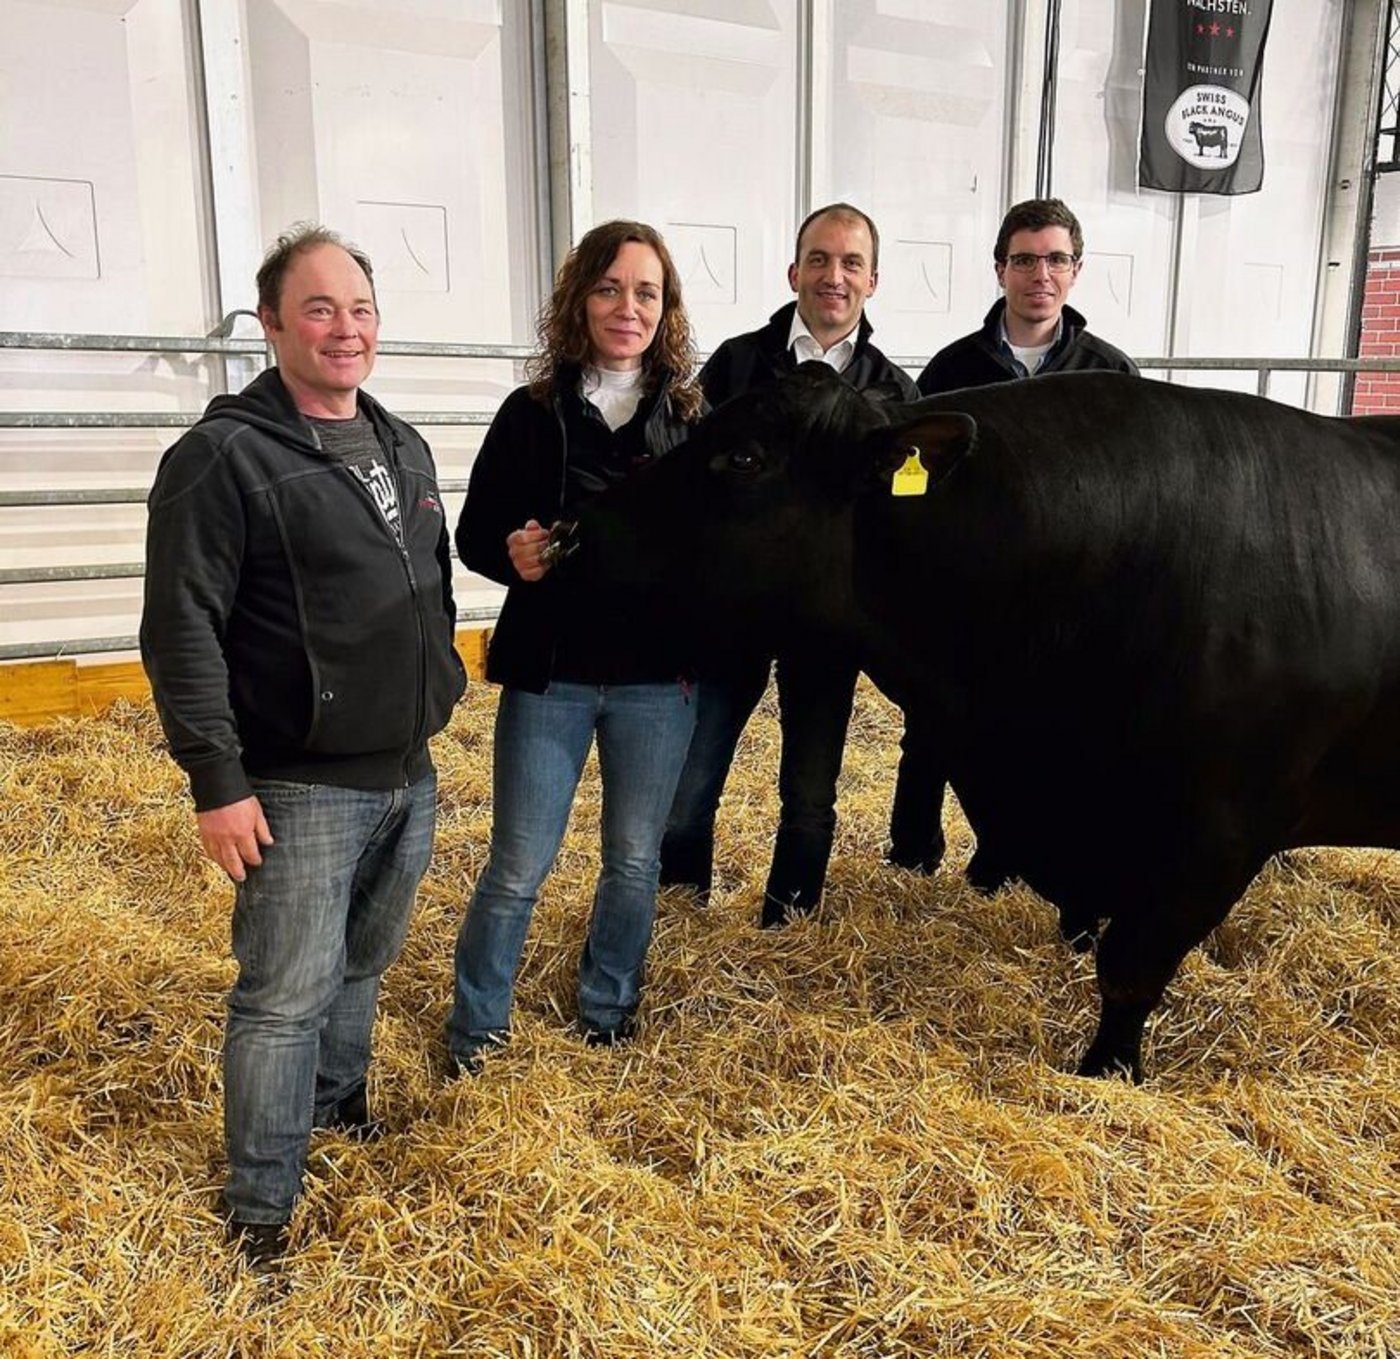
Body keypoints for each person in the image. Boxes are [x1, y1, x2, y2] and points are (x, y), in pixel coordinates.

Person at [140, 224, 467, 1268]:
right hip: (297, 783)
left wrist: (440, 693)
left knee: (362, 967)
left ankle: (337, 1115)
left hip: (405, 768)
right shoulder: (221, 457)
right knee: (281, 996)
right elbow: (180, 625)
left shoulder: (398, 440)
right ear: (272, 323)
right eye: (319, 309)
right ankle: (259, 1207)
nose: (345, 328)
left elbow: (433, 580)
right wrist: (216, 781)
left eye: (360, 308)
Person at [444, 220, 705, 1073]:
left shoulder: (690, 420)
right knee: (518, 862)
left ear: (665, 309)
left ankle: (607, 1010)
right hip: (550, 672)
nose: (627, 308)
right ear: (580, 298)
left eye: (646, 292)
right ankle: (477, 1029)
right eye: (609, 288)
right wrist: (512, 555)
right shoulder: (532, 413)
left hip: (656, 680)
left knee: (633, 860)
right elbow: (476, 533)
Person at [659, 202, 917, 926]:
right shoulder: (739, 363)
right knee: (692, 777)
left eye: (850, 263)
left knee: (811, 791)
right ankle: (681, 916)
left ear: (872, 280)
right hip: (727, 611)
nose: (834, 276)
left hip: (827, 624)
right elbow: (691, 479)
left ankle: (787, 926)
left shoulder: (892, 392)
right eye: (820, 259)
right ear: (794, 270)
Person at [891, 197, 1137, 882]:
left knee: (1052, 730)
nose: (1041, 274)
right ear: (1000, 269)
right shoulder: (950, 370)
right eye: (1024, 259)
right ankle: (912, 854)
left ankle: (1014, 856)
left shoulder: (1111, 375)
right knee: (934, 721)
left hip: (1074, 591)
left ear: (1077, 270)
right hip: (972, 583)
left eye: (1056, 258)